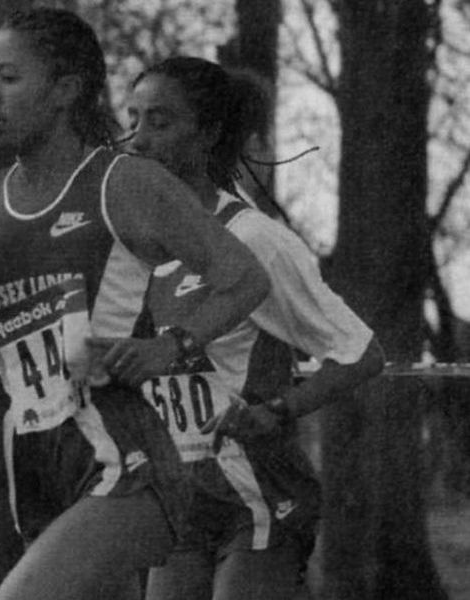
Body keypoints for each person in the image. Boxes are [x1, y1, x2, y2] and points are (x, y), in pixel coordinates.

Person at [0, 9, 272, 600]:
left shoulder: (124, 182)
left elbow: (245, 279)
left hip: (124, 460)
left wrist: (170, 346)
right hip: (35, 462)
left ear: (67, 90)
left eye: (9, 79)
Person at [122, 56, 385, 600]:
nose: (138, 139)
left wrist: (278, 411)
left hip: (259, 494)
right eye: (134, 119)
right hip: (179, 496)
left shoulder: (256, 240)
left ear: (209, 134)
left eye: (160, 122)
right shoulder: (129, 246)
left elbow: (362, 353)